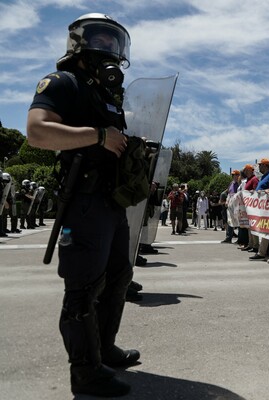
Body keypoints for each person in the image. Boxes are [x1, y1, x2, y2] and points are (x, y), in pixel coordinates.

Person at [26, 14, 137, 397]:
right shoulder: (62, 82)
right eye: (101, 41)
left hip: (112, 203)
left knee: (119, 277)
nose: (109, 49)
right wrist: (99, 135)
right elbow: (37, 131)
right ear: (79, 43)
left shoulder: (105, 96)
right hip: (84, 202)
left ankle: (103, 349)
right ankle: (84, 371)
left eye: (114, 42)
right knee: (83, 287)